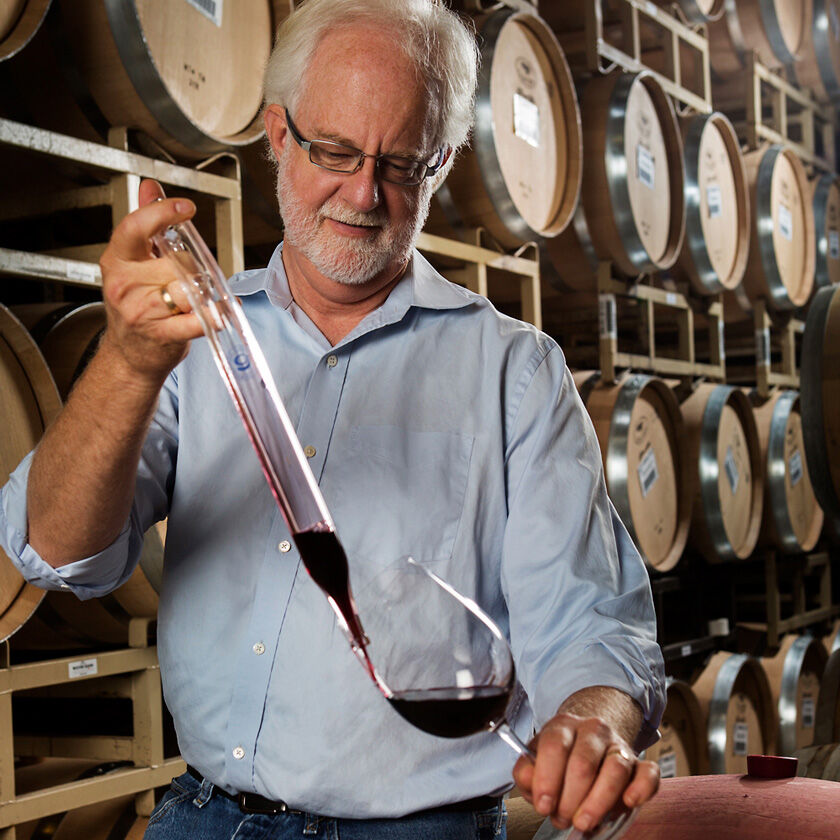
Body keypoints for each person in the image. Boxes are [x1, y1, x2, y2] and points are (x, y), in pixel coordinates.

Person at [0, 1, 666, 838]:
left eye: (402, 164)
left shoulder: (513, 372)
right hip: (204, 817)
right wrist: (128, 366)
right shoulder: (193, 335)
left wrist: (593, 717)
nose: (363, 192)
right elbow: (60, 556)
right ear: (277, 134)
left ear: (446, 163)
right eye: (335, 151)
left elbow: (588, 620)